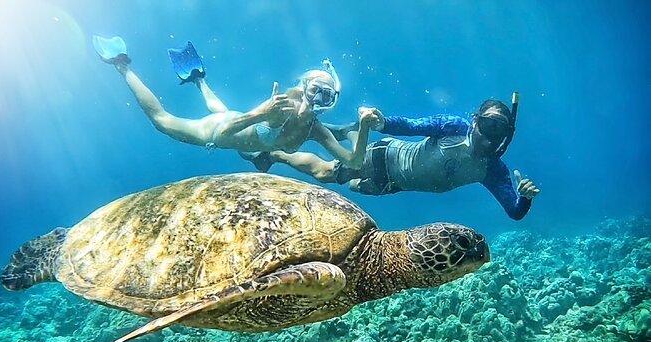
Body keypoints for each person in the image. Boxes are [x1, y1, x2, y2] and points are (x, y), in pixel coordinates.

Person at [91, 36, 372, 169]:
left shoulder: (315, 130)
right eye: (315, 89)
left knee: (224, 110)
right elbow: (225, 134)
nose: (318, 99)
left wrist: (365, 127)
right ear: (303, 86)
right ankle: (120, 65)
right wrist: (260, 113)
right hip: (219, 132)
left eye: (326, 94)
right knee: (162, 122)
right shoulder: (281, 106)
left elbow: (355, 162)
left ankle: (198, 78)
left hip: (242, 128)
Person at [245, 95, 540, 220]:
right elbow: (412, 126)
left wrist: (524, 198)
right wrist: (382, 121)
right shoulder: (454, 126)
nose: (491, 137)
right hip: (388, 156)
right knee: (328, 174)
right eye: (489, 126)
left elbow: (514, 212)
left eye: (500, 132)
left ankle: (349, 132)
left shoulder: (493, 170)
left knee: (354, 188)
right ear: (475, 121)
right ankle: (278, 154)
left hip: (395, 184)